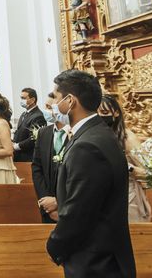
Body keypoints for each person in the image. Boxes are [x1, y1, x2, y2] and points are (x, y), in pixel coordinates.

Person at [46, 70, 135, 277]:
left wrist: (55, 245)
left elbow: (79, 209)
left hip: (95, 260)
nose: (53, 105)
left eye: (56, 98)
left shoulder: (88, 146)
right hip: (103, 254)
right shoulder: (99, 133)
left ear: (70, 101)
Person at [98, 94, 150, 223]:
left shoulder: (127, 137)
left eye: (104, 112)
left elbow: (149, 171)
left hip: (128, 195)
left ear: (115, 113)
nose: (100, 116)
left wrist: (127, 167)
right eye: (96, 113)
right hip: (102, 194)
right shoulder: (95, 135)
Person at [31, 98, 70, 223]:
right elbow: (37, 168)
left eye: (49, 107)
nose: (47, 111)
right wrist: (46, 203)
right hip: (47, 204)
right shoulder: (43, 133)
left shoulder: (75, 133)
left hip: (69, 206)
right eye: (46, 107)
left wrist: (59, 202)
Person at [12, 88, 47, 162]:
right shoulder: (24, 114)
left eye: (23, 98)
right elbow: (20, 131)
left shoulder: (38, 116)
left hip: (28, 157)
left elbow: (34, 138)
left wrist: (16, 146)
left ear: (33, 99)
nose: (21, 101)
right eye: (20, 98)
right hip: (19, 155)